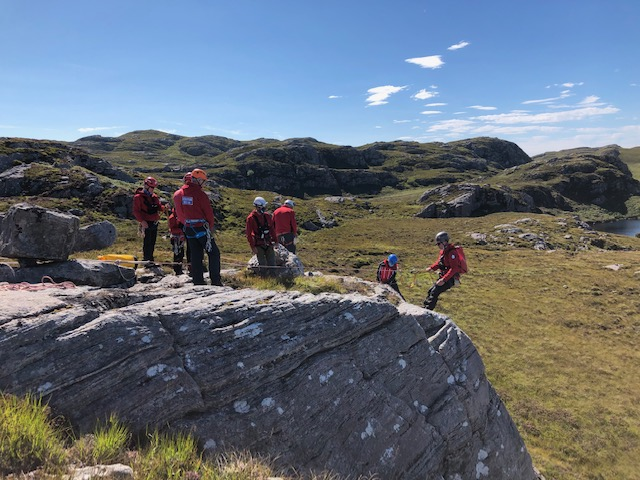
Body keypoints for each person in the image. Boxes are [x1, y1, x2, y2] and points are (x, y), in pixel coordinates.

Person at [173, 168, 222, 286]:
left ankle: (198, 280)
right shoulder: (200, 194)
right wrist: (210, 226)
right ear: (199, 180)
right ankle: (215, 281)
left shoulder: (180, 193)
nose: (204, 184)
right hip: (201, 227)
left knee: (195, 254)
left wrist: (186, 224)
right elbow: (208, 212)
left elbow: (179, 213)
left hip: (189, 228)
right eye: (203, 181)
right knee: (213, 252)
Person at [424, 231, 465, 310]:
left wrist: (443, 280)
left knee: (434, 292)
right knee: (430, 291)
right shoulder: (443, 252)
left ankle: (427, 310)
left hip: (450, 278)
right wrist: (431, 268)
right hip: (444, 277)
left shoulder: (452, 253)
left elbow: (454, 268)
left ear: (445, 242)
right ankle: (425, 308)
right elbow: (439, 263)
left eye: (439, 244)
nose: (438, 246)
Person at [133, 176, 164, 263]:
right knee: (147, 242)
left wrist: (163, 208)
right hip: (146, 222)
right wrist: (142, 221)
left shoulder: (154, 197)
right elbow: (136, 211)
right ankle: (146, 259)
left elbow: (158, 207)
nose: (153, 190)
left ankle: (150, 259)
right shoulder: (138, 197)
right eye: (152, 187)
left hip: (154, 222)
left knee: (152, 241)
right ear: (146, 186)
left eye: (154, 188)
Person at [246, 196, 277, 275]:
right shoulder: (251, 218)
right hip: (258, 244)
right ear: (257, 207)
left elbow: (272, 229)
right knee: (262, 264)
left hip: (268, 242)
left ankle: (274, 279)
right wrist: (253, 247)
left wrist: (275, 240)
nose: (264, 208)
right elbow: (248, 234)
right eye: (263, 207)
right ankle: (264, 280)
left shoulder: (267, 216)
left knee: (272, 262)